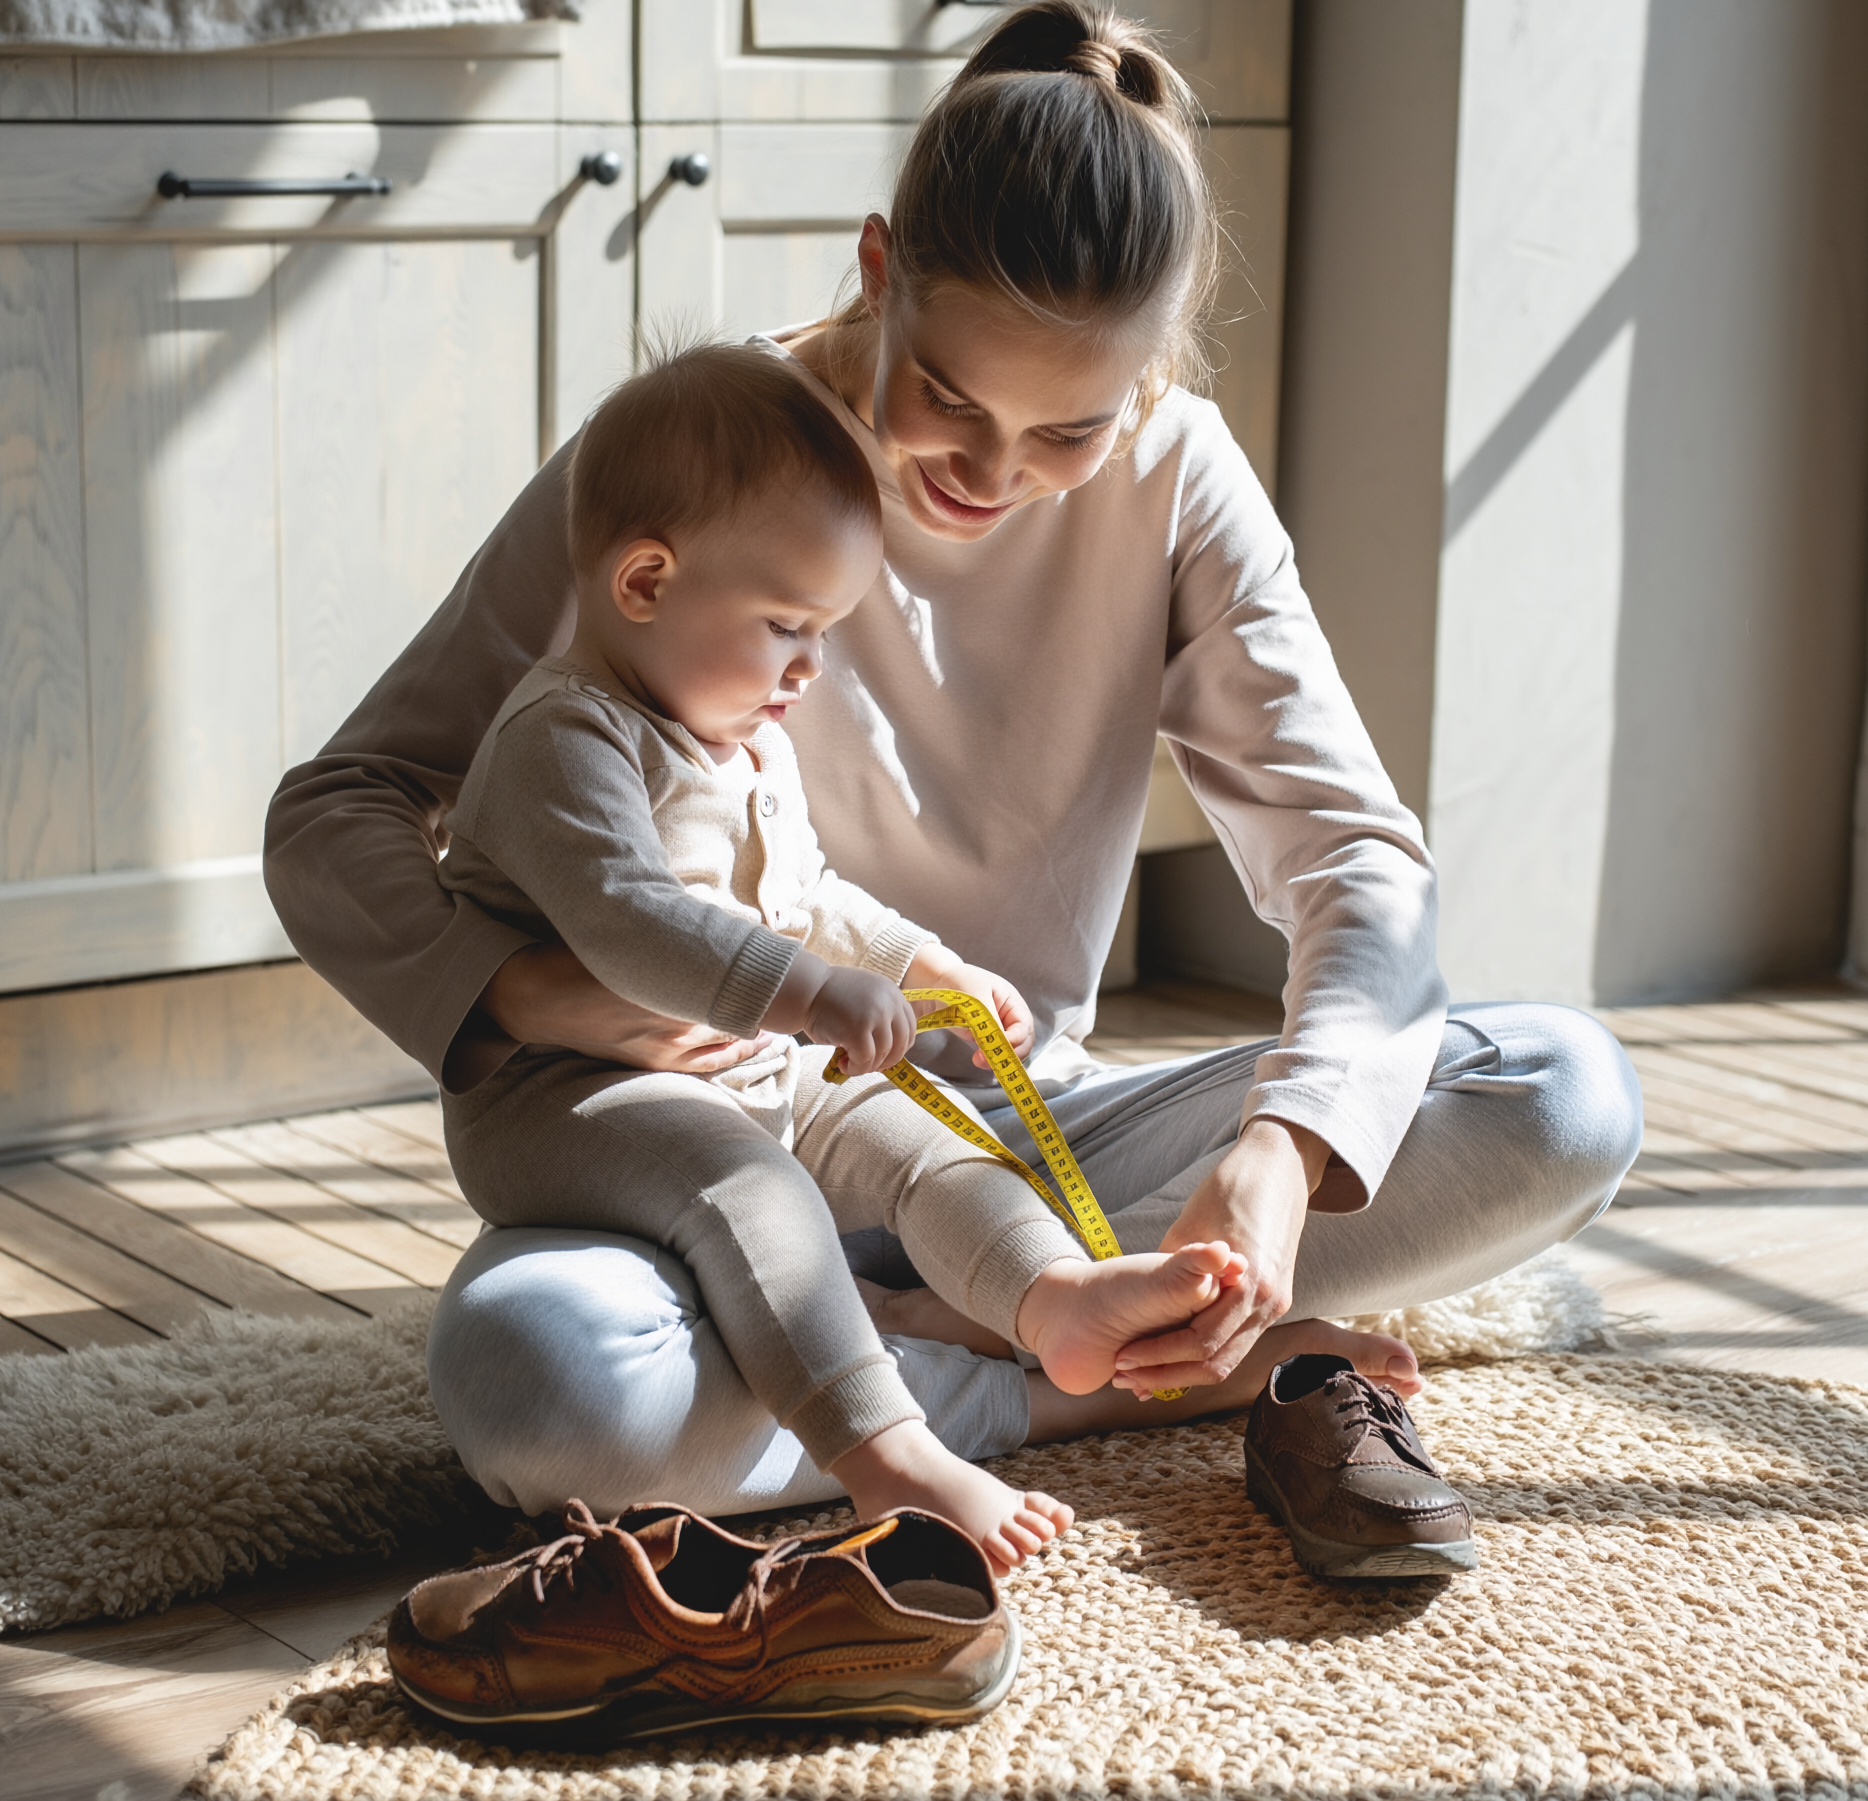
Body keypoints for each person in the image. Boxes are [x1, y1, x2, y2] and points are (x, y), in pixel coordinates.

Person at [263, 0, 1644, 1555]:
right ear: (879, 272)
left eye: (1069, 430)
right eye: (951, 401)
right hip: (700, 1136)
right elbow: (342, 806)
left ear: (1146, 379)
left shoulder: (1179, 477)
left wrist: (1284, 1154)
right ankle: (1075, 1386)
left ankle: (954, 1341)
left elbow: (1354, 861)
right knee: (541, 1380)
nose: (991, 477)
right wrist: (528, 995)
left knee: (1565, 1097)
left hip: (1017, 1148)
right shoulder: (695, 465)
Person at [435, 339, 1417, 1572]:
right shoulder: (563, 738)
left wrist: (919, 964)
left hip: (754, 1067)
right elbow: (629, 921)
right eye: (786, 626)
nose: (809, 665)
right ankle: (886, 1452)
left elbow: (811, 894)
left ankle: (1053, 1300)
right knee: (754, 1192)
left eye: (824, 630)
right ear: (644, 581)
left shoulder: (742, 735)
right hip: (572, 1097)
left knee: (924, 1147)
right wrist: (811, 994)